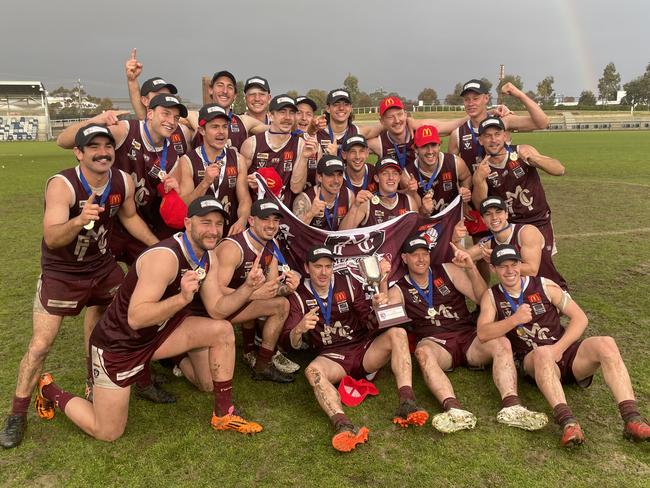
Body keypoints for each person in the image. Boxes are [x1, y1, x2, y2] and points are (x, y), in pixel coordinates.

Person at [27, 196, 268, 443]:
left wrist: (248, 288)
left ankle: (223, 414)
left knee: (221, 330)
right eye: (205, 222)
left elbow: (217, 309)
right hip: (121, 344)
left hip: (159, 334)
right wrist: (181, 300)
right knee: (108, 431)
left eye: (218, 224)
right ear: (187, 223)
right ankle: (49, 389)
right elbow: (136, 318)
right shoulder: (165, 257)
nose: (213, 230)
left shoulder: (209, 256)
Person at [0, 124, 158, 449]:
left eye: (107, 146)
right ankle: (17, 413)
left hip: (102, 269)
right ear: (79, 152)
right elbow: (52, 237)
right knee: (41, 345)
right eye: (94, 147)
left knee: (119, 322)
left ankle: (97, 380)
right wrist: (78, 217)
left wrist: (158, 246)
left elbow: (129, 218)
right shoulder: (63, 185)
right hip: (63, 273)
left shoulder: (122, 180)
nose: (103, 152)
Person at [477, 244, 650, 446]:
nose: (509, 271)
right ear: (493, 269)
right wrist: (514, 320)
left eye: (513, 264)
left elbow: (580, 318)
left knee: (607, 344)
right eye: (502, 266)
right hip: (534, 360)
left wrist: (558, 349)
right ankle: (568, 423)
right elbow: (483, 333)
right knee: (542, 354)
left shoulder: (544, 285)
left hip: (564, 353)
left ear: (520, 264)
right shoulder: (492, 296)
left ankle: (632, 419)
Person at [387, 236, 547, 433]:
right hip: (436, 343)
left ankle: (512, 404)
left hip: (468, 336)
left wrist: (471, 268)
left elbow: (482, 298)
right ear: (404, 258)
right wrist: (381, 295)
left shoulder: (448, 270)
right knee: (423, 353)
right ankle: (453, 409)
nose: (421, 259)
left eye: (425, 254)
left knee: (501, 343)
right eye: (414, 255)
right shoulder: (398, 288)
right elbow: (390, 322)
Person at [283, 246, 429, 452]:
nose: (324, 272)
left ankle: (407, 401)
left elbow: (367, 323)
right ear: (307, 268)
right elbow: (289, 344)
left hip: (363, 349)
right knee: (312, 371)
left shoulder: (348, 284)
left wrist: (377, 309)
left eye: (328, 266)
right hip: (332, 357)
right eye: (317, 267)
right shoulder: (298, 296)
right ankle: (342, 424)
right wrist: (298, 329)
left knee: (398, 333)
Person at [57, 94, 188, 264]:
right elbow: (63, 141)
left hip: (138, 222)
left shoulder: (172, 157)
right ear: (149, 114)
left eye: (176, 117)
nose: (171, 121)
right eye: (166, 114)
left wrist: (172, 192)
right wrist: (97, 120)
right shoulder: (125, 131)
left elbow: (169, 204)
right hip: (107, 219)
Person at [215, 199, 299, 381]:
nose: (271, 225)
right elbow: (216, 291)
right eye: (265, 219)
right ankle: (251, 352)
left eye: (275, 220)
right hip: (217, 308)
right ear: (251, 221)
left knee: (282, 303)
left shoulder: (271, 244)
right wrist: (253, 294)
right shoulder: (232, 248)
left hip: (240, 303)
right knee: (206, 381)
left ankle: (263, 363)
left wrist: (288, 287)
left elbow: (271, 287)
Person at [472, 117, 565, 258]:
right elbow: (480, 205)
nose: (493, 140)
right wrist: (479, 180)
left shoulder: (523, 151)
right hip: (510, 227)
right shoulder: (482, 168)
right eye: (487, 136)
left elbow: (559, 170)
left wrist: (535, 160)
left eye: (497, 134)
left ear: (504, 136)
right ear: (480, 140)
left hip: (539, 220)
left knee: (543, 268)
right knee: (516, 269)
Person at [178, 103, 252, 236]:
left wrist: (242, 220)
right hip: (201, 236)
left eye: (224, 126)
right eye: (215, 127)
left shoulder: (238, 159)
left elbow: (244, 199)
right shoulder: (187, 161)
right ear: (202, 131)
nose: (221, 132)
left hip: (230, 232)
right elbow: (184, 205)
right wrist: (205, 182)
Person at [466, 197, 567, 290]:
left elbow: (532, 270)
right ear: (483, 220)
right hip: (520, 298)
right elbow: (462, 257)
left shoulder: (526, 232)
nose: (494, 217)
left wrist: (497, 258)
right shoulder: (488, 243)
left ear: (506, 214)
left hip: (550, 291)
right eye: (488, 214)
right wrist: (456, 239)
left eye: (498, 212)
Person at [241, 94, 319, 205]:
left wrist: (304, 157)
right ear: (271, 116)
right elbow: (239, 186)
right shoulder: (252, 144)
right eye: (282, 112)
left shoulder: (300, 144)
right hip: (257, 215)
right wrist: (249, 181)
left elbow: (296, 188)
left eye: (291, 112)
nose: (287, 117)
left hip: (283, 215)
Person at [367, 96, 467, 170]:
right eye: (390, 117)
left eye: (400, 114)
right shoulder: (379, 143)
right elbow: (352, 140)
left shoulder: (420, 130)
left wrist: (479, 113)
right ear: (382, 121)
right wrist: (382, 128)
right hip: (397, 195)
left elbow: (453, 125)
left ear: (406, 114)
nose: (397, 120)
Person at [123, 48, 191, 156]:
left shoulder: (183, 130)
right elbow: (142, 114)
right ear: (145, 101)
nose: (164, 100)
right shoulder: (133, 129)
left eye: (167, 96)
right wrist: (132, 80)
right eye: (159, 96)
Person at [187, 70, 267, 151]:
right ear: (210, 90)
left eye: (230, 87)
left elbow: (274, 129)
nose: (225, 91)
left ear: (235, 95)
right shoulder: (196, 117)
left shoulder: (244, 121)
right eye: (220, 85)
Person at [404, 125, 472, 215]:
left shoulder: (455, 162)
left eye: (433, 145)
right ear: (416, 149)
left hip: (453, 218)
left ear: (439, 145)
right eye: (424, 146)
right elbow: (412, 218)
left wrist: (465, 190)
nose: (430, 151)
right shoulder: (407, 175)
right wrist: (423, 210)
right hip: (427, 224)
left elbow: (466, 177)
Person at [339, 157, 420, 229]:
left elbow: (416, 231)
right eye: (385, 173)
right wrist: (355, 206)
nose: (391, 178)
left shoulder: (409, 201)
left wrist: (414, 193)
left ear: (399, 178)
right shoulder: (366, 203)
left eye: (395, 173)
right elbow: (342, 233)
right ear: (377, 178)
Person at [292, 155, 354, 231]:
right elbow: (295, 234)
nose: (336, 181)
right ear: (320, 177)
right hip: (313, 242)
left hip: (338, 242)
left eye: (340, 175)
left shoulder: (349, 195)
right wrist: (311, 214)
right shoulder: (304, 199)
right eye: (331, 175)